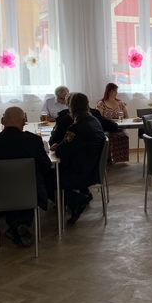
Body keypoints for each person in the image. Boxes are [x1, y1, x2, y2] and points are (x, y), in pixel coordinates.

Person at [0, 107, 52, 247]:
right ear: (24, 122)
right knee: (33, 183)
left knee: (9, 188)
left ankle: (15, 226)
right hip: (29, 193)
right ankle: (19, 225)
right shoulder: (33, 141)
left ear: (2, 121)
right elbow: (46, 166)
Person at [51, 93, 105, 225]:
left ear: (71, 107)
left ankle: (75, 199)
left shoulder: (76, 127)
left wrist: (58, 147)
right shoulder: (94, 121)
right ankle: (75, 199)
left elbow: (61, 152)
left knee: (44, 179)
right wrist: (63, 146)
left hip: (79, 174)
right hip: (93, 169)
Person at [50, 93, 119, 146]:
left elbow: (53, 143)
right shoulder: (95, 118)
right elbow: (114, 126)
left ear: (69, 105)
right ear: (87, 103)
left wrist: (58, 147)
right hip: (94, 156)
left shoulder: (67, 122)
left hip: (76, 156)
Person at [96, 82, 130, 163]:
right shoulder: (101, 103)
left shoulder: (120, 103)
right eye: (114, 90)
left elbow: (126, 116)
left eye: (116, 90)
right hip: (107, 127)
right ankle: (108, 157)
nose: (116, 92)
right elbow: (99, 118)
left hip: (119, 127)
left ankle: (120, 158)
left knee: (124, 135)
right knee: (110, 136)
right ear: (109, 91)